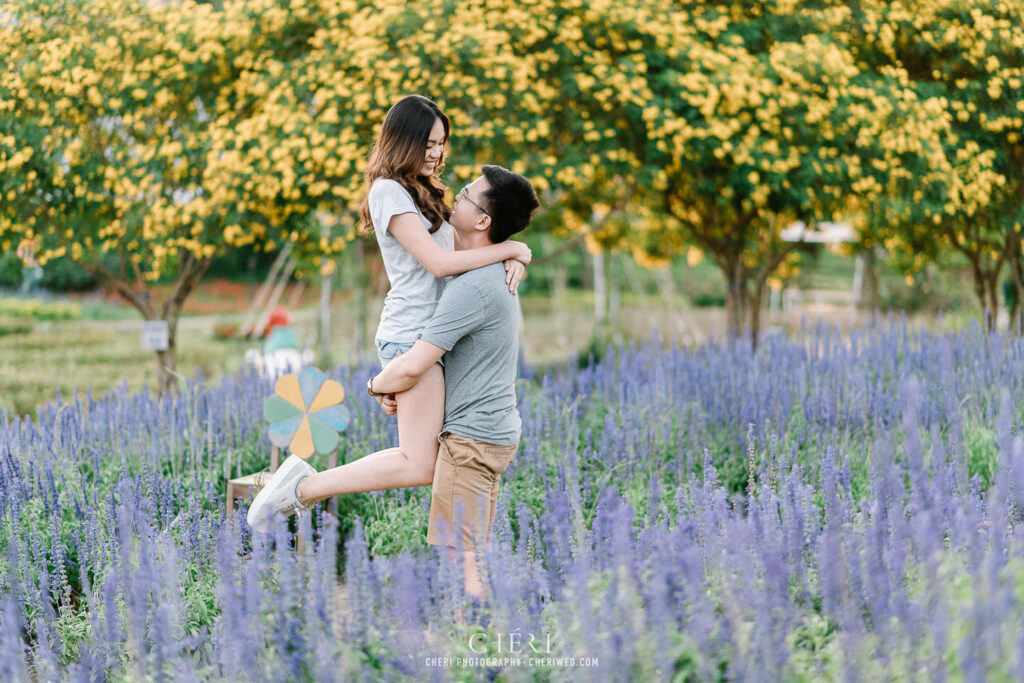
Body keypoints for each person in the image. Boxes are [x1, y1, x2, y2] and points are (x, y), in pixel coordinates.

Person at [247, 96, 530, 531]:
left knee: (423, 461)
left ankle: (304, 487)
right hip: (410, 334)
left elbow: (475, 240)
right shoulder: (388, 192)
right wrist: (511, 248)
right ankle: (302, 490)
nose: (437, 153)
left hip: (433, 336)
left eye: (441, 144)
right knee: (418, 464)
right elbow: (438, 263)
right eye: (430, 143)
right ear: (405, 141)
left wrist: (509, 255)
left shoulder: (423, 191)